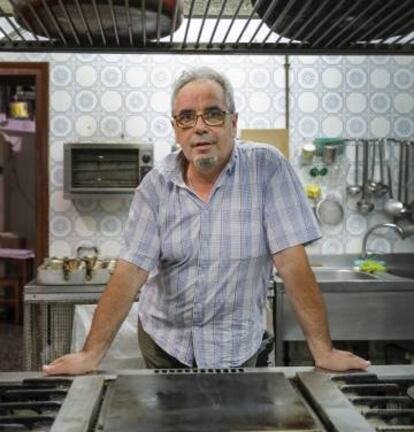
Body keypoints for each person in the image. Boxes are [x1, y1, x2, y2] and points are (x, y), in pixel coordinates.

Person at [43, 67, 370, 374]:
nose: (199, 127)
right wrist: (90, 355)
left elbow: (292, 263)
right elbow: (130, 272)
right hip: (165, 345)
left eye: (212, 114)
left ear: (233, 122)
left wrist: (323, 352)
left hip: (238, 347)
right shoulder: (155, 188)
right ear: (176, 129)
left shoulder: (267, 168)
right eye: (186, 117)